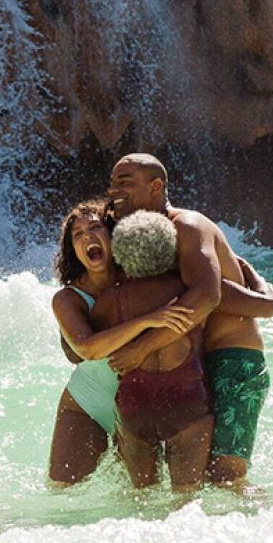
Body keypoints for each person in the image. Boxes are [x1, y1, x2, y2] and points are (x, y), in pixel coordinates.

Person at [107, 153, 273, 492]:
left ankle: (267, 528)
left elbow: (206, 297)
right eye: (112, 183)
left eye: (124, 182)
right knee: (183, 481)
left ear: (156, 187)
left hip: (231, 360)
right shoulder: (140, 235)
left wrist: (141, 348)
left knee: (225, 475)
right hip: (191, 363)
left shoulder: (187, 226)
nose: (113, 191)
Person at [48, 198, 193, 485]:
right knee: (61, 495)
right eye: (78, 235)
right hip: (87, 401)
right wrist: (149, 319)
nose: (87, 237)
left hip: (139, 405)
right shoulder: (68, 298)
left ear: (113, 235)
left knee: (139, 501)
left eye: (95, 228)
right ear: (73, 250)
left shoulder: (141, 278)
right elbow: (88, 349)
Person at [89, 210, 213, 492]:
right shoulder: (186, 291)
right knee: (187, 496)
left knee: (142, 498)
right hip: (189, 402)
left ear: (119, 253)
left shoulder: (111, 301)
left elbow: (88, 345)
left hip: (136, 406)